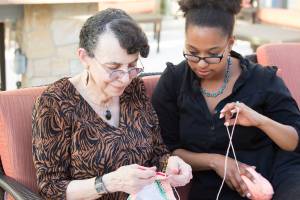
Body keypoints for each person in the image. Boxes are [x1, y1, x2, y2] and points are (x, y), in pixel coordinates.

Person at [32, 8, 192, 200]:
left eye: (132, 66)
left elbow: (157, 153)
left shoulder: (134, 89)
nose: (125, 79)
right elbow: (50, 187)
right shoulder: (55, 103)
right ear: (84, 57)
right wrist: (109, 183)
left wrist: (171, 163)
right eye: (113, 68)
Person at [152, 0, 300, 199]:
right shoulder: (174, 81)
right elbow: (165, 151)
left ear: (230, 43)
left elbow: (293, 142)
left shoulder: (263, 80)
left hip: (275, 177)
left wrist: (259, 120)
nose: (201, 63)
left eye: (213, 54)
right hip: (213, 186)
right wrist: (215, 161)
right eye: (193, 52)